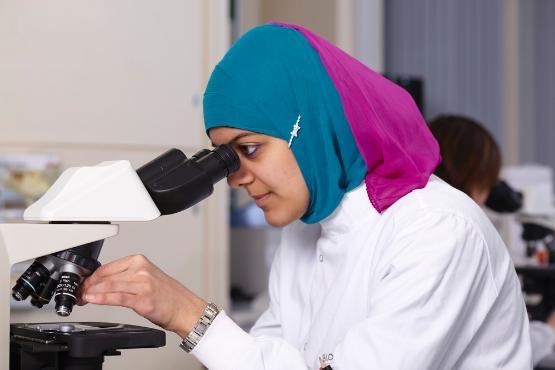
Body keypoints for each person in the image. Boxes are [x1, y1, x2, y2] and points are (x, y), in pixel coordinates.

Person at [79, 24, 532, 369]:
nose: (235, 178)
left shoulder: (436, 230)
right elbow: (267, 358)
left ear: (309, 126)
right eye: (226, 158)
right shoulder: (304, 235)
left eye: (249, 149)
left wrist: (186, 313)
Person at [428, 114, 555, 367]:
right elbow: (497, 349)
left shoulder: (418, 225)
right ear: (475, 178)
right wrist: (550, 331)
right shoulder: (461, 238)